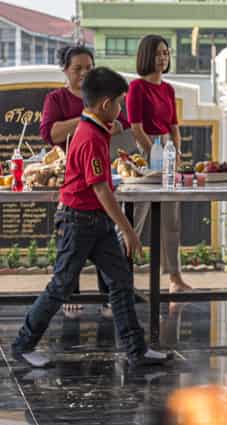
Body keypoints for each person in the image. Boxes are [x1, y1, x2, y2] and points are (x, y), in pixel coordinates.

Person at [11, 67, 171, 369]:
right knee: (62, 285)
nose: (122, 109)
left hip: (95, 221)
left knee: (121, 281)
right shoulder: (90, 136)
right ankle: (23, 344)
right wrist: (128, 231)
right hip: (78, 221)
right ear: (105, 105)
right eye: (120, 103)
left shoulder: (95, 130)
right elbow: (101, 190)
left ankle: (135, 350)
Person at [41, 44, 131, 318]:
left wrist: (101, 120)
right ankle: (67, 299)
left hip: (101, 170)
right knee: (71, 253)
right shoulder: (58, 100)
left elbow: (121, 123)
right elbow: (51, 133)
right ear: (66, 71)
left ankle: (112, 303)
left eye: (88, 68)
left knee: (108, 252)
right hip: (75, 181)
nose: (83, 73)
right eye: (77, 68)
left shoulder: (105, 99)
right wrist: (88, 119)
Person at [127, 34, 191, 293]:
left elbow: (174, 126)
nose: (163, 58)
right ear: (145, 56)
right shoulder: (137, 88)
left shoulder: (168, 89)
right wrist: (154, 154)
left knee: (171, 220)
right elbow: (135, 127)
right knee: (135, 219)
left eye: (166, 53)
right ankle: (123, 278)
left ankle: (175, 278)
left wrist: (175, 152)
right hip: (146, 152)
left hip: (168, 149)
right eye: (157, 53)